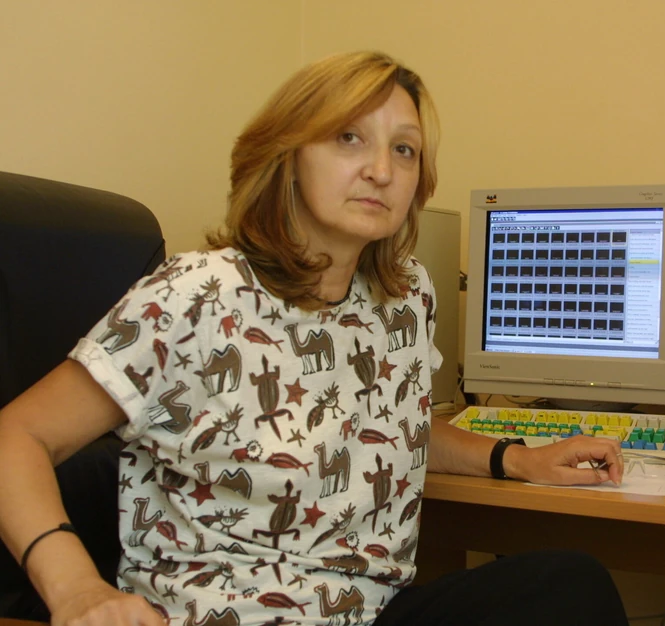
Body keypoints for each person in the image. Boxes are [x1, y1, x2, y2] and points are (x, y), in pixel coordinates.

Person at [0, 51, 629, 626]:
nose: (381, 170)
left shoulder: (405, 295)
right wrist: (76, 589)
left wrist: (514, 458)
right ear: (289, 155)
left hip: (370, 610)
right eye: (349, 137)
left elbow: (390, 423)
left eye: (404, 150)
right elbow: (15, 436)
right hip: (228, 614)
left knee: (570, 585)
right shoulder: (197, 295)